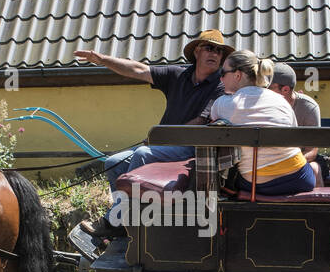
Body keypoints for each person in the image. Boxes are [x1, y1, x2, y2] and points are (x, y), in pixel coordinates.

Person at [73, 29, 234, 240]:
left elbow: (199, 123)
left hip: (191, 147)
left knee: (143, 154)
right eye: (209, 48)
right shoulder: (178, 75)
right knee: (113, 162)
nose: (215, 53)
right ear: (197, 52)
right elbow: (138, 70)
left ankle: (114, 221)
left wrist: (160, 138)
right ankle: (124, 222)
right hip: (162, 144)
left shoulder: (220, 87)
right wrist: (101, 59)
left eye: (219, 51)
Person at [210, 50, 315, 196]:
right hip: (298, 177)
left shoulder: (221, 104)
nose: (221, 79)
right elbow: (294, 138)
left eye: (223, 73)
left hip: (254, 182)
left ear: (238, 75)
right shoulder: (281, 101)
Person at [267, 63, 324, 184]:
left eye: (269, 88)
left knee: (315, 168)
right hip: (272, 162)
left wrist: (288, 165)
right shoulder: (264, 105)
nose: (264, 91)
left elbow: (312, 151)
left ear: (285, 89)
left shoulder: (308, 107)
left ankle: (317, 202)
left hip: (300, 160)